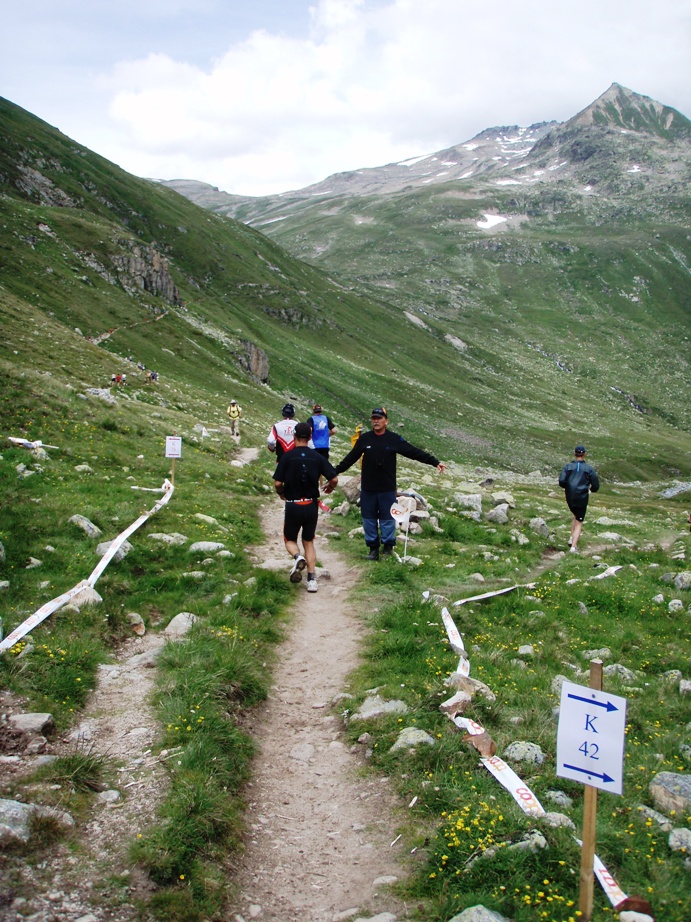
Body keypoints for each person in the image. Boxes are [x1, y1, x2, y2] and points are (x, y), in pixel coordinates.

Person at [334, 407, 446, 560]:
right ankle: (373, 550)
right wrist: (333, 473)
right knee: (368, 519)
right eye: (374, 418)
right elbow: (350, 458)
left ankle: (387, 548)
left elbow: (413, 452)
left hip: (387, 488)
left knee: (387, 519)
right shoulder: (365, 439)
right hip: (368, 488)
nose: (376, 421)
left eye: (379, 418)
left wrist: (434, 462)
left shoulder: (394, 439)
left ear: (386, 421)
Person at [273, 422, 338, 592]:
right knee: (308, 541)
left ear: (294, 437)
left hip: (293, 505)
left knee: (290, 539)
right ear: (310, 438)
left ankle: (297, 557)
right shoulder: (317, 457)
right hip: (311, 505)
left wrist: (281, 492)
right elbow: (334, 478)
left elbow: (278, 482)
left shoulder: (287, 457)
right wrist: (330, 488)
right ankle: (311, 580)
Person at [559, 445, 600, 553]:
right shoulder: (589, 469)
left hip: (569, 496)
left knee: (575, 516)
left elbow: (561, 481)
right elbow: (595, 485)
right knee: (579, 521)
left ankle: (572, 538)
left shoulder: (568, 467)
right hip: (582, 496)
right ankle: (573, 547)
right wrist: (591, 490)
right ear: (584, 454)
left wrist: (568, 487)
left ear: (574, 454)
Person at [309, 404, 336, 504]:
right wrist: (326, 435)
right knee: (323, 465)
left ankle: (316, 486)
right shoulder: (326, 418)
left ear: (313, 411)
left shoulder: (311, 419)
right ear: (321, 410)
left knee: (314, 466)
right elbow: (333, 430)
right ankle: (326, 484)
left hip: (315, 446)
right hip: (325, 445)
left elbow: (310, 430)